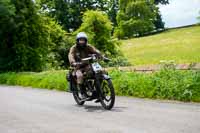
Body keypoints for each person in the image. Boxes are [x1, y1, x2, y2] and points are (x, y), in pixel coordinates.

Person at [68, 32, 102, 99]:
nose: (82, 41)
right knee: (80, 76)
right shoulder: (74, 48)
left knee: (100, 72)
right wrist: (73, 62)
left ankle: (97, 90)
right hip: (77, 67)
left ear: (85, 40)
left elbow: (95, 50)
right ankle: (82, 92)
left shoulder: (88, 46)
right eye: (80, 40)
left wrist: (100, 54)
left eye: (83, 40)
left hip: (87, 65)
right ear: (77, 40)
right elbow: (70, 55)